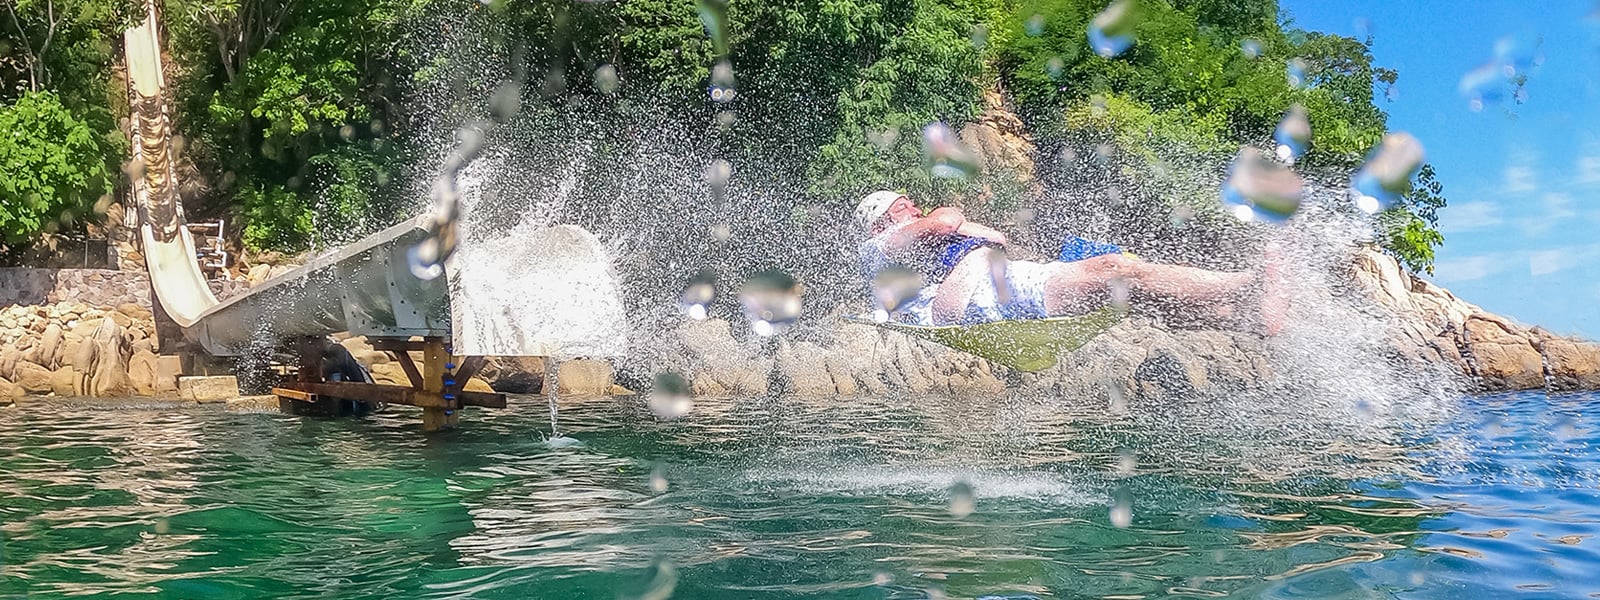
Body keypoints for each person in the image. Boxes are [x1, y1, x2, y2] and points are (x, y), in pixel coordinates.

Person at [854, 190, 1285, 334]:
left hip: (986, 292)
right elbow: (948, 220)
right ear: (881, 221)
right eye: (903, 205)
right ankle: (1247, 284)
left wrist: (966, 235)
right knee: (1117, 269)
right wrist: (944, 222)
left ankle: (1241, 318)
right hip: (974, 300)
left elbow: (996, 237)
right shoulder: (882, 243)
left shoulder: (911, 248)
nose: (912, 208)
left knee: (1131, 297)